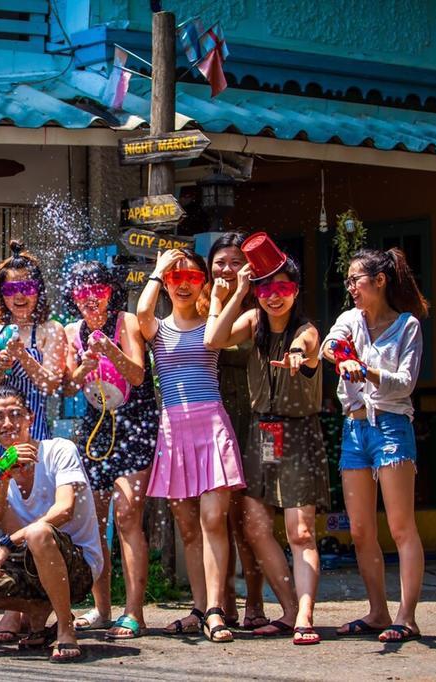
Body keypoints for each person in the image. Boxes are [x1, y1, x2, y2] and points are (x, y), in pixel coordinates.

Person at [206, 255, 330, 645]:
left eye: (283, 288)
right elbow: (213, 339)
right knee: (256, 528)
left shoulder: (307, 329)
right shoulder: (254, 321)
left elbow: (307, 344)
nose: (274, 297)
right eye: (266, 288)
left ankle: (306, 615)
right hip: (263, 433)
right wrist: (240, 290)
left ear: (296, 290)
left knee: (301, 531)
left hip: (297, 432)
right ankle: (290, 609)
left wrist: (296, 353)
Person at [0, 386, 101, 663]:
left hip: (76, 565)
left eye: (16, 414)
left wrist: (9, 541)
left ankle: (65, 628)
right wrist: (5, 479)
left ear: (30, 418)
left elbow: (64, 510)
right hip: (29, 567)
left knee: (40, 532)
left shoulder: (59, 450)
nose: (7, 423)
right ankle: (36, 608)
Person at [137, 248, 245, 643]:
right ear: (165, 283)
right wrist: (158, 270)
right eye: (175, 277)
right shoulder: (157, 327)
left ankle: (216, 609)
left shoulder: (212, 323)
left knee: (213, 519)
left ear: (203, 281)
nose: (183, 284)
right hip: (174, 428)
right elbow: (143, 315)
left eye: (191, 276)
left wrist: (229, 291)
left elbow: (240, 327)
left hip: (211, 423)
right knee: (187, 528)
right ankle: (201, 607)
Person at [322, 248, 429, 644]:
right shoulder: (350, 320)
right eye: (348, 281)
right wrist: (339, 354)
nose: (350, 287)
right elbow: (329, 346)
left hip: (391, 426)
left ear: (379, 281)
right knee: (362, 530)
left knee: (401, 527)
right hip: (354, 429)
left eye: (356, 280)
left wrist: (365, 369)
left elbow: (404, 383)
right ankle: (377, 610)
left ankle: (407, 616)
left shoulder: (407, 327)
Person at [0, 240, 66, 643]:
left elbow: (50, 384)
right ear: (2, 296)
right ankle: (16, 609)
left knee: (35, 525)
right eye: (11, 290)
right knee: (3, 523)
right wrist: (1, 362)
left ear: (38, 290)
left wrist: (22, 357)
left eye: (27, 287)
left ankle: (36, 609)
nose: (20, 296)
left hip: (37, 439)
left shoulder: (51, 329)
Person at [63, 261, 157, 640]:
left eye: (98, 291)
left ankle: (134, 611)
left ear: (110, 292)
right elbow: (68, 387)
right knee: (94, 521)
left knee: (128, 516)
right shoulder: (73, 331)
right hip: (96, 427)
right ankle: (101, 609)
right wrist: (84, 366)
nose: (91, 299)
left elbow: (136, 374)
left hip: (136, 422)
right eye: (83, 292)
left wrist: (111, 350)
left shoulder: (127, 321)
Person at [200, 233, 267, 631]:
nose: (226, 269)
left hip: (248, 417)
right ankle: (220, 601)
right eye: (220, 261)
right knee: (215, 518)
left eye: (235, 261)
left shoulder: (258, 305)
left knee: (248, 517)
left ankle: (254, 601)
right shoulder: (200, 301)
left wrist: (237, 297)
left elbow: (230, 348)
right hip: (209, 419)